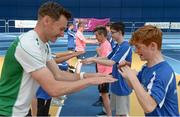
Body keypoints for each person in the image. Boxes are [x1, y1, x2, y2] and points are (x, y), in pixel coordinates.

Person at [0, 2, 116, 116]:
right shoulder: (28, 44)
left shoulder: (43, 45)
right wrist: (90, 81)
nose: (62, 34)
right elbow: (53, 89)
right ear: (46, 21)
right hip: (7, 112)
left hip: (20, 112)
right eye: (61, 29)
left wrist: (88, 76)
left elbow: (59, 74)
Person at [118, 25, 179, 116]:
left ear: (153, 46)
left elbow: (149, 107)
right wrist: (127, 73)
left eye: (138, 47)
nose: (135, 51)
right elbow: (132, 85)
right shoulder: (146, 67)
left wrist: (133, 78)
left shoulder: (163, 72)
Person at [81, 22, 133, 116]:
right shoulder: (118, 46)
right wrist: (93, 59)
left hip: (122, 84)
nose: (111, 34)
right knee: (118, 112)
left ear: (120, 32)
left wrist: (93, 59)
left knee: (122, 113)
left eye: (113, 32)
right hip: (116, 82)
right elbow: (107, 57)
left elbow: (111, 62)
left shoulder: (125, 46)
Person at [93, 26, 112, 116]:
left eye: (96, 35)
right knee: (104, 95)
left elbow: (107, 61)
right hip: (102, 73)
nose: (95, 37)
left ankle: (108, 114)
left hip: (104, 74)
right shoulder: (103, 44)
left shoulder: (106, 45)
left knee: (105, 95)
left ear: (102, 35)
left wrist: (98, 52)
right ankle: (106, 111)